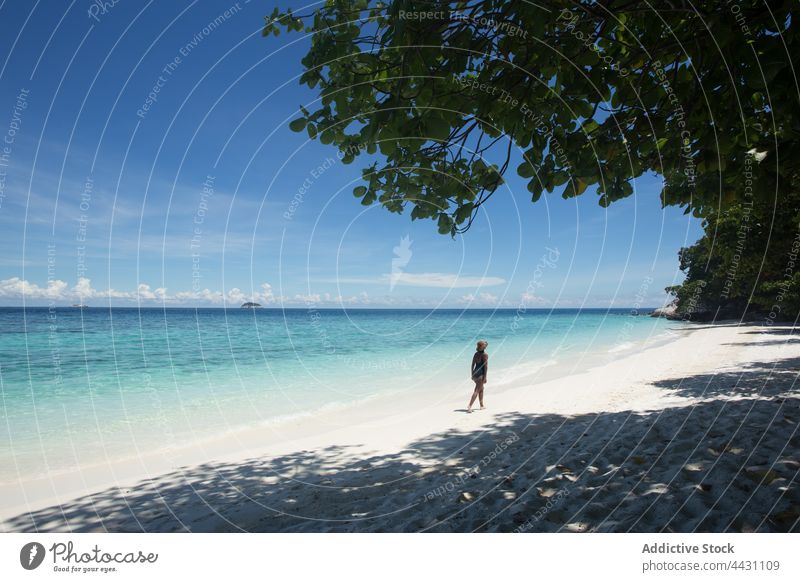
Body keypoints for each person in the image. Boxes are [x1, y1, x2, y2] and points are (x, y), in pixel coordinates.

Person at [467, 340, 488, 413]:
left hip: (475, 374)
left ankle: (481, 405)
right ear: (481, 346)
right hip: (480, 375)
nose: (486, 346)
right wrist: (485, 377)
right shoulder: (485, 355)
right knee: (477, 390)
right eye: (484, 345)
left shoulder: (476, 354)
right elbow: (485, 367)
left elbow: (472, 364)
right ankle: (469, 406)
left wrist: (472, 374)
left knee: (481, 389)